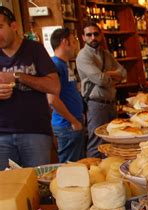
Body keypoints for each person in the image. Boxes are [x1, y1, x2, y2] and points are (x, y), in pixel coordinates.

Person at [0, 6, 60, 169]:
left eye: (0, 27)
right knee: (7, 189)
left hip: (35, 132)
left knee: (39, 186)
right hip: (1, 135)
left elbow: (54, 87)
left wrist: (18, 76)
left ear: (14, 26)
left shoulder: (35, 50)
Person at [76, 21, 126, 158]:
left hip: (110, 102)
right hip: (96, 104)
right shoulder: (83, 56)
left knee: (112, 141)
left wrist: (109, 75)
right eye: (89, 34)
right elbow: (100, 80)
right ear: (83, 37)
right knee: (96, 143)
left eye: (96, 34)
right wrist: (112, 76)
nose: (93, 37)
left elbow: (124, 73)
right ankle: (94, 174)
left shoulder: (105, 54)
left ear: (101, 35)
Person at [48, 27, 85, 163]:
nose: (76, 46)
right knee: (69, 169)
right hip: (66, 125)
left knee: (77, 166)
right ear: (65, 42)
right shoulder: (55, 65)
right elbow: (52, 99)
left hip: (72, 123)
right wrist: (73, 121)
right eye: (74, 41)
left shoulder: (63, 65)